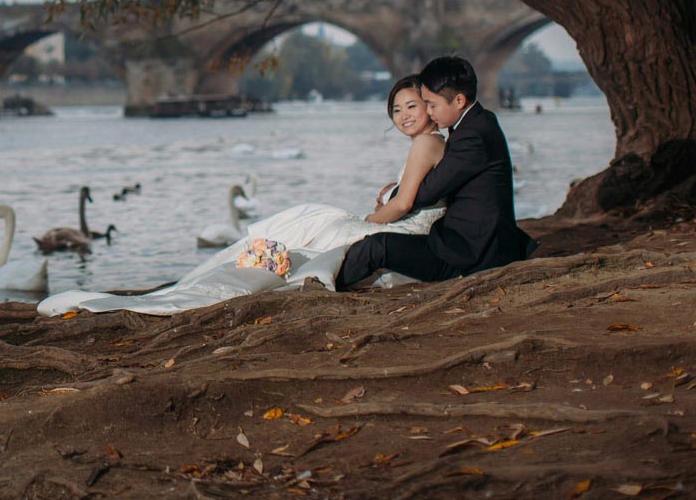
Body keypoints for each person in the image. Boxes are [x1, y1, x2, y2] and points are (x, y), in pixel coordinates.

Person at [35, 74, 450, 317]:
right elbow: (404, 198)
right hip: (405, 229)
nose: (404, 116)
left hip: (404, 232)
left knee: (313, 225)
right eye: (397, 109)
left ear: (431, 107)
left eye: (413, 106)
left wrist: (362, 222)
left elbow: (403, 205)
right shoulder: (430, 144)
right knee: (307, 226)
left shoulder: (425, 144)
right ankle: (257, 264)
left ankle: (251, 268)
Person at [334, 56, 538, 291]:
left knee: (376, 246)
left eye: (432, 104)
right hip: (464, 242)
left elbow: (427, 192)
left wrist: (394, 194)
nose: (429, 112)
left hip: (473, 254)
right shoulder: (477, 122)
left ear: (459, 100)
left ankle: (325, 289)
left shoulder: (472, 136)